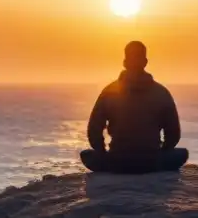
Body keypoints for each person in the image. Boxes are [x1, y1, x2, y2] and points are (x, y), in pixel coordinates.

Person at [81, 41, 189, 174]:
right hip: (152, 163)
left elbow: (94, 131)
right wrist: (161, 151)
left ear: (125, 62)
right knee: (181, 154)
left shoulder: (109, 91)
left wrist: (103, 153)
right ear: (145, 62)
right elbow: (173, 134)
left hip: (117, 162)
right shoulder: (161, 92)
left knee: (87, 154)